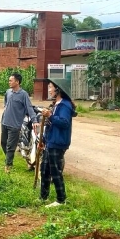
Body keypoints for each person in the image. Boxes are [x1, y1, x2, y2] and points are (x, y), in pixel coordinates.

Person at [39, 79, 75, 207]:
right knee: (45, 170)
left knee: (55, 171)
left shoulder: (64, 105)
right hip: (50, 141)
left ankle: (61, 199)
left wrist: (50, 115)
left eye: (50, 87)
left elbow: (64, 123)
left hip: (58, 142)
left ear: (58, 90)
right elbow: (50, 124)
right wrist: (43, 139)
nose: (49, 90)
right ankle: (43, 196)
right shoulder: (55, 104)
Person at [1, 73, 36, 173]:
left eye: (11, 80)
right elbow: (5, 101)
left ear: (17, 82)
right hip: (4, 122)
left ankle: (8, 165)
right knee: (3, 143)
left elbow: (29, 108)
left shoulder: (23, 94)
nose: (9, 82)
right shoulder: (8, 92)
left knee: (10, 146)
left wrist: (34, 120)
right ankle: (8, 158)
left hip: (15, 125)